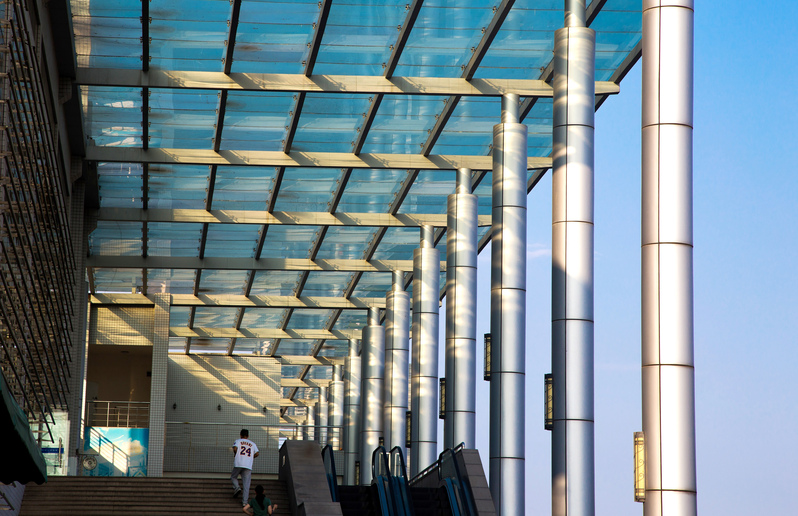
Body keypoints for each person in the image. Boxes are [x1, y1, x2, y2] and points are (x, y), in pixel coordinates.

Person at [231, 429, 259, 505]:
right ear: (248, 436)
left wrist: (236, 454)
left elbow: (235, 448)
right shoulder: (252, 444)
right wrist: (251, 457)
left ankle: (237, 487)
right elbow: (257, 453)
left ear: (240, 435)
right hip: (248, 465)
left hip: (238, 463)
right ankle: (244, 502)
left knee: (233, 477)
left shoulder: (238, 441)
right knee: (246, 484)